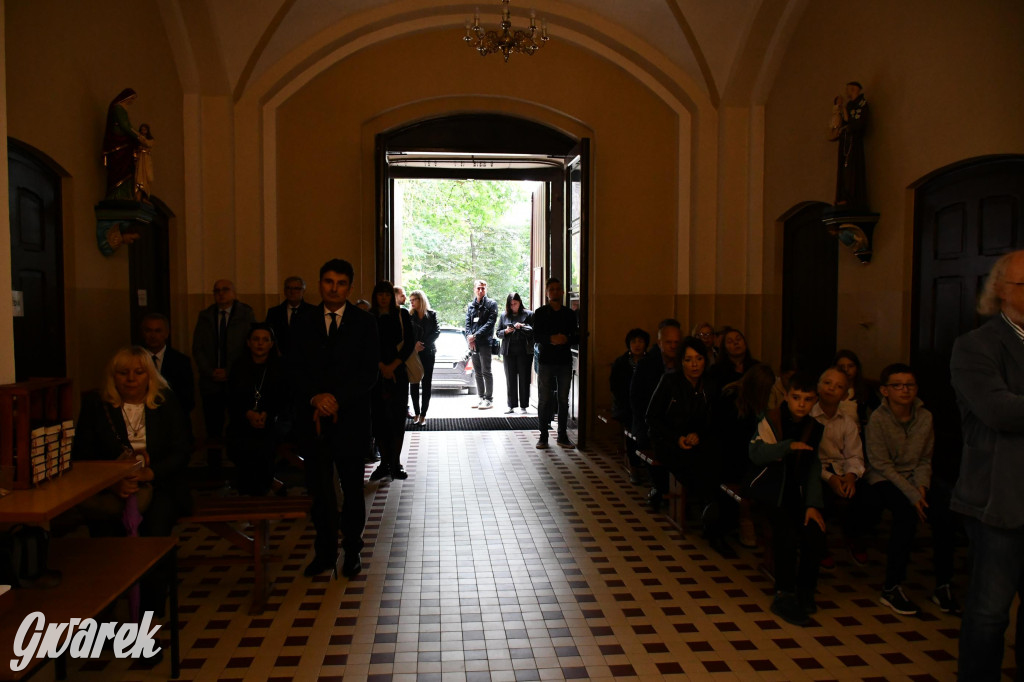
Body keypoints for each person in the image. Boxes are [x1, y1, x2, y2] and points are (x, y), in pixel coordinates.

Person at [72, 346, 192, 613]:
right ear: (112, 377)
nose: (131, 379)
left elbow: (182, 450)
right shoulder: (97, 405)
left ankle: (149, 608)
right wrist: (113, 481)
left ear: (150, 375)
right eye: (123, 373)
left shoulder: (165, 401)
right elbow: (82, 455)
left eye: (139, 372)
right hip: (110, 487)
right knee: (104, 535)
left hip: (160, 484)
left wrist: (151, 472)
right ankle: (105, 611)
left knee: (155, 529)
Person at [950, 249, 1024, 680]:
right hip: (999, 496)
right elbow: (999, 411)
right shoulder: (975, 346)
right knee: (990, 612)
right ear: (999, 290)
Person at [289, 259, 379, 578]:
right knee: (320, 491)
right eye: (328, 281)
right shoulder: (303, 322)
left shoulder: (365, 324)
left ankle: (352, 550)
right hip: (314, 420)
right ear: (320, 284)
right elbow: (295, 368)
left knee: (353, 489)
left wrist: (337, 398)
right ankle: (325, 551)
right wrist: (316, 396)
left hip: (350, 419)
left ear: (350, 287)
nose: (334, 288)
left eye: (341, 283)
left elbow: (368, 373)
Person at [864, 363, 957, 617]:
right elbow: (880, 463)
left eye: (910, 385)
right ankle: (892, 586)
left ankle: (943, 584)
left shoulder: (925, 417)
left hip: (917, 476)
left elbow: (924, 459)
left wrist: (922, 488)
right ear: (885, 390)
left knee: (945, 512)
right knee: (905, 515)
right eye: (898, 385)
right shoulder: (878, 419)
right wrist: (913, 495)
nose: (905, 390)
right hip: (884, 477)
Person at [748, 372, 826, 627]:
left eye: (807, 399)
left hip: (797, 494)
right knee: (787, 534)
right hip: (770, 491)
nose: (801, 404)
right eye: (796, 397)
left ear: (815, 401)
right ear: (787, 396)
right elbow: (757, 454)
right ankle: (784, 592)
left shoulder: (814, 428)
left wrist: (813, 505)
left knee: (815, 532)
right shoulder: (772, 419)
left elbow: (813, 467)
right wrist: (787, 446)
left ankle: (805, 590)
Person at [646, 336, 733, 556]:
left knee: (718, 456)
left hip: (699, 442)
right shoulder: (670, 382)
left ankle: (712, 512)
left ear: (705, 360)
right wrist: (677, 438)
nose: (694, 364)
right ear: (681, 362)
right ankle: (711, 515)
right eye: (688, 360)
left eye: (699, 359)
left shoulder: (710, 385)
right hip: (669, 442)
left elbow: (715, 421)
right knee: (696, 463)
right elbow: (652, 418)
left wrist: (698, 435)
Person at [192, 280, 255, 467]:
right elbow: (198, 348)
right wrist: (210, 371)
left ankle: (241, 465)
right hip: (211, 381)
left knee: (239, 423)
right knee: (213, 426)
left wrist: (230, 371)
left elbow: (250, 347)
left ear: (234, 293)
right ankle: (214, 466)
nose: (221, 294)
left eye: (225, 290)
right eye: (217, 291)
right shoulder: (205, 316)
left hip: (236, 380)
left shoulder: (245, 314)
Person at [713, 363, 776, 549]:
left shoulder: (753, 403)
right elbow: (732, 438)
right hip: (728, 458)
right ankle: (745, 519)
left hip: (741, 454)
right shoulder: (731, 398)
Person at [811, 367, 867, 568]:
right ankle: (818, 546)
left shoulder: (847, 421)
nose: (831, 389)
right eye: (827, 383)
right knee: (819, 496)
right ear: (818, 386)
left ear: (845, 395)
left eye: (838, 386)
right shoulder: (809, 416)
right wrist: (830, 478)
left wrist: (851, 475)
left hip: (841, 469)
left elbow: (854, 454)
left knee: (862, 494)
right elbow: (809, 459)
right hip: (817, 471)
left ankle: (854, 539)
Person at [227, 324, 286, 496]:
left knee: (263, 444)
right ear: (248, 343)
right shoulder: (239, 366)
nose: (260, 343)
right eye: (256, 339)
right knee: (242, 442)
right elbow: (232, 398)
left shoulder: (279, 367)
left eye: (265, 340)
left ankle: (260, 490)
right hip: (243, 419)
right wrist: (248, 414)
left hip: (273, 420)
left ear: (271, 344)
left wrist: (266, 414)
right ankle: (265, 484)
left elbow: (284, 398)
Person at [630, 319, 682, 508]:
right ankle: (661, 487)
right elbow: (636, 398)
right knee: (654, 444)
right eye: (669, 342)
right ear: (660, 343)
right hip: (648, 422)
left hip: (677, 424)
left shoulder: (684, 364)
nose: (673, 346)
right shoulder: (647, 365)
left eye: (677, 343)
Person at [369, 280, 415, 482]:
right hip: (375, 374)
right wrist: (381, 367)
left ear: (392, 296)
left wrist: (393, 365)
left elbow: (410, 343)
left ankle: (395, 463)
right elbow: (365, 345)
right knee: (379, 419)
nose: (384, 297)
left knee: (397, 419)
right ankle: (384, 462)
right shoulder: (369, 317)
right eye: (380, 294)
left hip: (398, 371)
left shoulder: (402, 314)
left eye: (387, 294)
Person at [531, 278, 579, 449]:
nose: (555, 292)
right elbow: (536, 337)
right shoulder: (540, 313)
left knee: (563, 400)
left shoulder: (569, 314)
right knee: (544, 400)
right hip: (546, 361)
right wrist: (551, 339)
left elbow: (577, 336)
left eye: (558, 289)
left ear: (563, 292)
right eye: (552, 289)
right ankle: (543, 436)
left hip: (564, 361)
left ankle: (562, 436)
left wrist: (566, 338)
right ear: (547, 292)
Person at [610, 328, 650, 482]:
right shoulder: (621, 363)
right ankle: (634, 466)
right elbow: (615, 387)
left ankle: (647, 463)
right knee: (633, 426)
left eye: (641, 341)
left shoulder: (650, 362)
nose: (637, 345)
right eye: (634, 341)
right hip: (625, 406)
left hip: (646, 406)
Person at [139, 312, 194, 421]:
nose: (153, 336)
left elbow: (188, 399)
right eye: (148, 331)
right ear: (143, 333)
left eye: (158, 331)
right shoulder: (135, 360)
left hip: (174, 418)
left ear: (166, 334)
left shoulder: (181, 361)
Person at [832, 81, 870, 209]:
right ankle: (843, 196)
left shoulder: (862, 105)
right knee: (844, 170)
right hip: (846, 141)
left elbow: (857, 123)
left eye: (849, 89)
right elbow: (841, 123)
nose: (847, 92)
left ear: (854, 90)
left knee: (852, 170)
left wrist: (847, 120)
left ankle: (851, 197)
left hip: (854, 142)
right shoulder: (849, 105)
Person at [497, 292, 534, 415]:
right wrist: (506, 331)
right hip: (509, 351)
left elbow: (533, 331)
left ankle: (524, 405)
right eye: (511, 304)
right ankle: (511, 405)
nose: (513, 306)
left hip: (524, 351)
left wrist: (522, 326)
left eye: (515, 303)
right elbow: (498, 333)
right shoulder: (504, 315)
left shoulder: (529, 314)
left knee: (524, 378)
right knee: (510, 378)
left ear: (520, 302)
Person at [101, 88, 141, 200]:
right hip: (119, 141)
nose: (132, 101)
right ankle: (117, 194)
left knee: (128, 167)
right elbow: (125, 126)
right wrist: (138, 136)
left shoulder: (123, 109)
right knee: (120, 167)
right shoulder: (118, 108)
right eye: (132, 99)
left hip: (126, 142)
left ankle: (126, 193)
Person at [464, 279, 498, 409]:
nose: (480, 290)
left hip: (485, 342)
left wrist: (475, 336)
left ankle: (489, 399)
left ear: (486, 289)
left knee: (486, 371)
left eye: (483, 288)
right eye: (478, 288)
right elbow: (468, 323)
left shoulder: (491, 304)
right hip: (473, 343)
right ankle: (480, 397)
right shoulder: (471, 305)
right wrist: (469, 337)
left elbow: (490, 324)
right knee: (477, 371)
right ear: (474, 289)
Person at [408, 289, 440, 425]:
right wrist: (414, 344)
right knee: (414, 382)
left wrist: (424, 344)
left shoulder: (432, 315)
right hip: (414, 354)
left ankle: (423, 415)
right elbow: (406, 334)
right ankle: (415, 413)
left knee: (427, 384)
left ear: (420, 300)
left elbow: (437, 331)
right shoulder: (409, 316)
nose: (412, 303)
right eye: (410, 301)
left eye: (414, 300)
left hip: (428, 352)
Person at [265, 276, 317, 355]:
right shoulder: (274, 312)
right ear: (284, 291)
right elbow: (269, 335)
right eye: (288, 288)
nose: (292, 292)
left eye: (296, 288)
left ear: (303, 291)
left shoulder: (314, 312)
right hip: (281, 358)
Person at [833, 349, 879, 428]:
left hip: (857, 434)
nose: (846, 370)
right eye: (842, 366)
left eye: (850, 366)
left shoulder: (865, 389)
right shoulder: (829, 388)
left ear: (857, 368)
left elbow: (879, 410)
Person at [707, 327, 758, 392]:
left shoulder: (756, 367)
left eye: (738, 339)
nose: (736, 343)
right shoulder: (716, 371)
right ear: (725, 348)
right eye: (730, 341)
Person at [134, 123, 154, 200]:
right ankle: (138, 195)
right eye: (141, 130)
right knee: (139, 176)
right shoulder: (138, 140)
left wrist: (140, 138)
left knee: (146, 177)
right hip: (140, 160)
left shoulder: (150, 140)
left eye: (144, 129)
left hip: (146, 160)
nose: (143, 131)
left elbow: (148, 144)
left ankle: (145, 196)